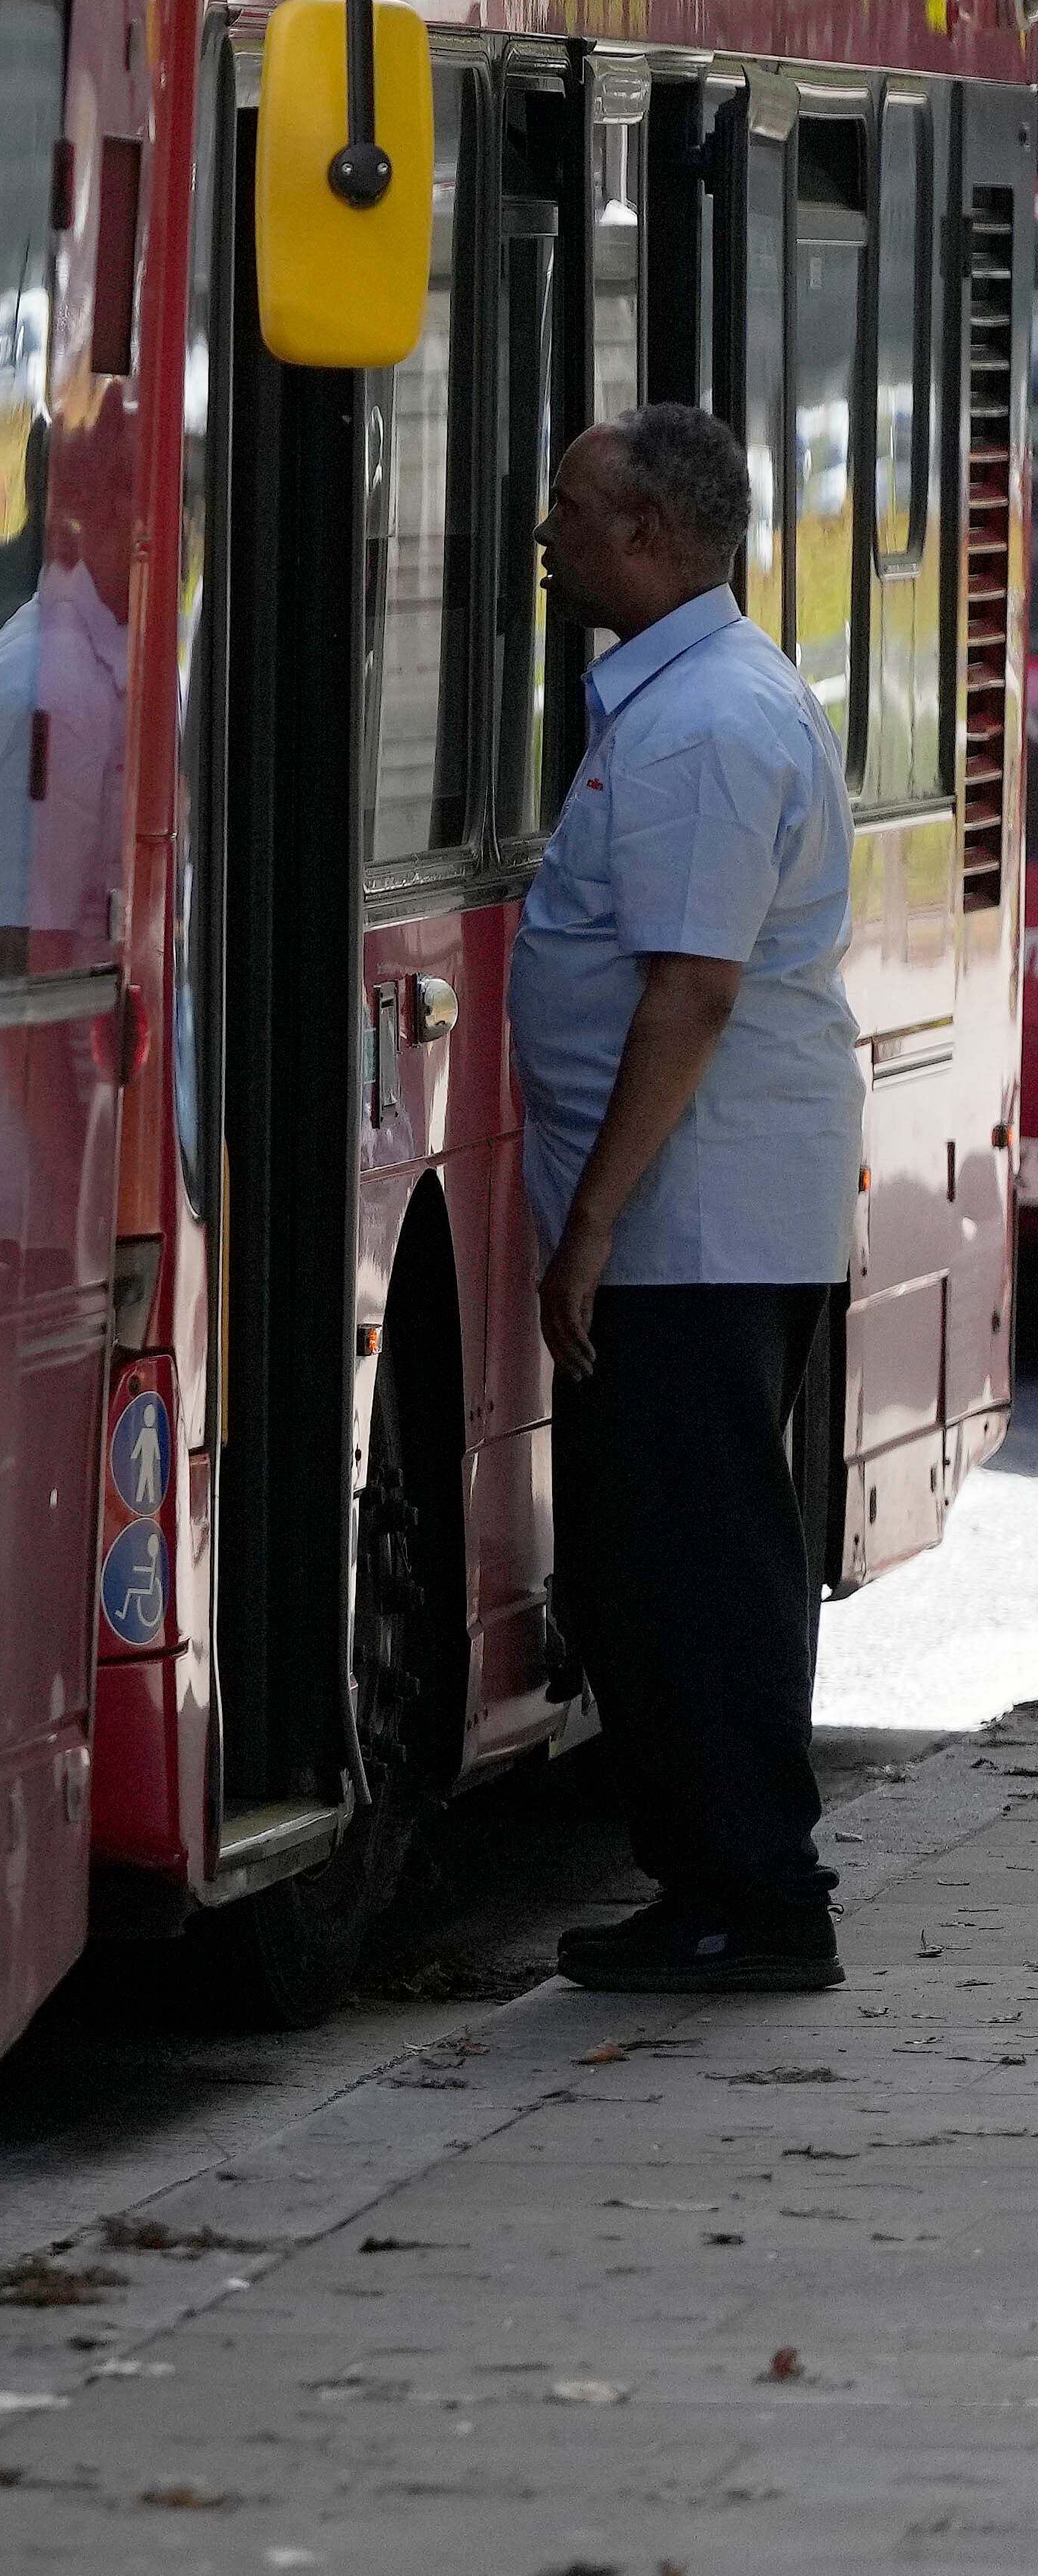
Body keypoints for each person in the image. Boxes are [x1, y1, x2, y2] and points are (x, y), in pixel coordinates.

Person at [521, 402, 862, 1995]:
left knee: (692, 1563)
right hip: (693, 1217)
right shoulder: (688, 697)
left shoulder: (704, 724)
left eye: (569, 506)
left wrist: (590, 1222)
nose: (544, 532)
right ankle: (712, 1882)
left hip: (692, 1226)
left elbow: (690, 989)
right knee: (644, 1557)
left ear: (647, 533)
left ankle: (754, 1892)